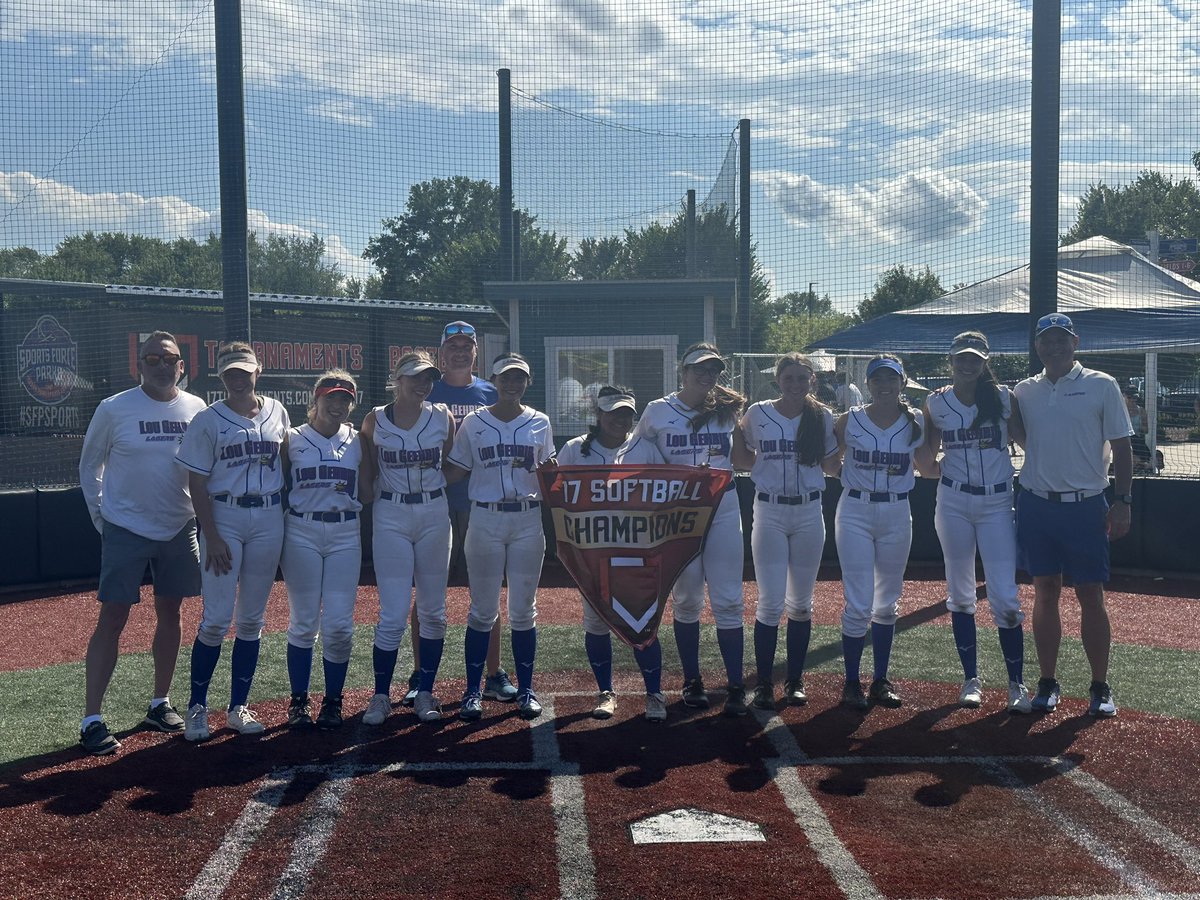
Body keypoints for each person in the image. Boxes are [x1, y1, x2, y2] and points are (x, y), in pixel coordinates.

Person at [77, 331, 208, 755]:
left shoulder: (197, 408)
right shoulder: (114, 408)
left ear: (181, 366)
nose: (161, 365)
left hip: (178, 528)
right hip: (125, 528)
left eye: (169, 358)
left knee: (171, 613)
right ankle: (92, 719)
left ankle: (159, 703)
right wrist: (103, 517)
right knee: (113, 618)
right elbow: (89, 465)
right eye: (152, 358)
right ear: (140, 365)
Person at [1011, 313, 1132, 718]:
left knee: (1090, 595)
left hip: (1086, 505)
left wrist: (1123, 500)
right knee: (1044, 591)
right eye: (1047, 340)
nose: (1054, 346)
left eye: (1062, 339)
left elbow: (1123, 445)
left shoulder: (1102, 384)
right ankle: (1048, 682)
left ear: (1075, 342)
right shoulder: (1024, 390)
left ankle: (1099, 686)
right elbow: (1022, 435)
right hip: (1036, 504)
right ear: (1038, 346)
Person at [176, 342, 289, 741]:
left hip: (269, 516)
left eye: (244, 371)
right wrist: (212, 534)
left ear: (258, 371)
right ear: (221, 377)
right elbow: (197, 482)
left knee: (252, 619)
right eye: (230, 373)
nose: (238, 378)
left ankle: (238, 705)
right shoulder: (207, 420)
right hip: (224, 515)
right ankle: (197, 707)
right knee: (217, 618)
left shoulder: (278, 411)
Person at [634, 342, 754, 716]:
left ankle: (735, 684)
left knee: (729, 599)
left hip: (722, 505)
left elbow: (742, 459)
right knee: (686, 599)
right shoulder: (657, 411)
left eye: (714, 370)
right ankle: (693, 680)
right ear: (682, 371)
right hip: (679, 511)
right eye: (699, 369)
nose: (707, 376)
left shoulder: (726, 411)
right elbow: (638, 463)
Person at [914, 332, 1031, 714]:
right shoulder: (936, 402)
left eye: (975, 359)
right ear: (951, 360)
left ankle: (1017, 684)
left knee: (1005, 597)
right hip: (954, 500)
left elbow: (1026, 441)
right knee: (961, 592)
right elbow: (928, 459)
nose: (968, 365)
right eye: (961, 358)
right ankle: (971, 680)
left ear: (985, 361)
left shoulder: (1001, 397)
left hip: (998, 500)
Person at [402, 321, 516, 707]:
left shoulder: (489, 390)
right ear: (441, 352)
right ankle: (420, 674)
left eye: (467, 345)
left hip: (481, 504)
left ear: (476, 352)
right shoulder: (426, 389)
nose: (460, 351)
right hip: (433, 504)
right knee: (428, 593)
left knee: (486, 594)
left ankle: (495, 673)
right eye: (452, 345)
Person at [446, 352, 556, 721]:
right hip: (485, 519)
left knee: (524, 611)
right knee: (482, 611)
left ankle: (526, 689)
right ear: (493, 381)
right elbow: (455, 471)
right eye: (506, 378)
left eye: (519, 378)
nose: (512, 384)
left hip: (527, 520)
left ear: (528, 381)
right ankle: (472, 692)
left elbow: (549, 477)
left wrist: (551, 474)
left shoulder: (540, 422)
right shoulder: (474, 423)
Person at [735, 354, 840, 710]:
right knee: (769, 602)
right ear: (778, 380)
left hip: (810, 511)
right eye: (789, 378)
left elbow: (830, 464)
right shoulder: (759, 413)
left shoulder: (822, 416)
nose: (795, 384)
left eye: (802, 378)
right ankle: (764, 682)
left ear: (812, 381)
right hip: (769, 510)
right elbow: (742, 456)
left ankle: (794, 680)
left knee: (801, 603)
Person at [557, 386, 669, 722]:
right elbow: (555, 491)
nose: (620, 419)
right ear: (598, 414)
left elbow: (667, 490)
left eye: (626, 413)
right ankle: (606, 690)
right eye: (613, 412)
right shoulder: (576, 450)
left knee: (643, 619)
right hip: (592, 551)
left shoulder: (646, 448)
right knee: (596, 622)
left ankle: (654, 693)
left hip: (637, 550)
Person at [359, 352, 454, 725]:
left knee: (433, 611)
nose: (422, 383)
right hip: (392, 514)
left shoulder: (443, 416)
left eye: (428, 377)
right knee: (394, 614)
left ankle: (425, 690)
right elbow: (367, 473)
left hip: (434, 512)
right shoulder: (375, 419)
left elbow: (449, 464)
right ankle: (381, 695)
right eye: (414, 377)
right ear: (396, 379)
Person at [830, 355, 925, 710]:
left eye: (891, 378)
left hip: (897, 510)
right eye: (878, 379)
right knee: (858, 602)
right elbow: (829, 461)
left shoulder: (915, 422)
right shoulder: (849, 419)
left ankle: (880, 680)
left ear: (902, 382)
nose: (884, 385)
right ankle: (852, 681)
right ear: (868, 383)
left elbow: (928, 465)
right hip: (855, 509)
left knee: (887, 602)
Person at [280, 370, 372, 731]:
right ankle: (299, 702)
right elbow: (280, 485)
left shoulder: (359, 440)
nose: (337, 405)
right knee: (303, 622)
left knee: (339, 626)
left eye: (345, 399)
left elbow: (366, 491)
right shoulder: (292, 439)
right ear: (314, 401)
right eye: (331, 397)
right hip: (301, 529)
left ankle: (333, 700)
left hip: (345, 532)